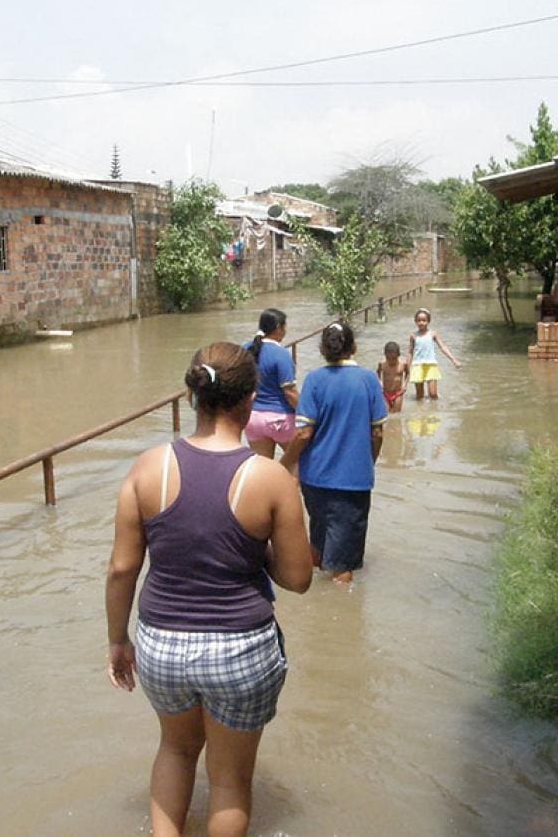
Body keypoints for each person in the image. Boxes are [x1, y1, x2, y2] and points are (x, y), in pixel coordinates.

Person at [105, 342, 312, 837]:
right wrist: (253, 549)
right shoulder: (269, 478)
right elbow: (298, 578)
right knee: (229, 782)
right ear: (248, 402)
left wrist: (118, 641)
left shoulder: (147, 467)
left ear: (194, 398)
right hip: (240, 647)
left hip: (161, 643)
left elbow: (120, 569)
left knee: (175, 750)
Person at [285, 321, 387, 585]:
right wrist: (368, 462)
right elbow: (377, 433)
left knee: (318, 537)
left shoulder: (314, 380)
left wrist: (284, 462)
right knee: (343, 563)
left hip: (314, 478)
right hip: (353, 480)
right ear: (353, 346)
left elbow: (304, 433)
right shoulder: (368, 380)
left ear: (322, 349)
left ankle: (312, 599)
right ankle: (341, 616)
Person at [243, 308, 301, 470]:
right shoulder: (281, 354)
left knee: (262, 470)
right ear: (278, 328)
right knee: (296, 466)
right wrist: (307, 413)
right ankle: (289, 495)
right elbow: (290, 393)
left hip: (253, 419)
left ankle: (263, 496)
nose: (285, 331)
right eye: (284, 327)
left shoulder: (245, 350)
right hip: (281, 420)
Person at [408, 307, 461, 400]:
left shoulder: (433, 334)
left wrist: (454, 360)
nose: (421, 323)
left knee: (433, 394)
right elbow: (410, 352)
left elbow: (443, 347)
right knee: (419, 396)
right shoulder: (413, 336)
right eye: (419, 320)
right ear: (415, 321)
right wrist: (406, 367)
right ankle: (421, 413)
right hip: (417, 365)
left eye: (424, 320)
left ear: (428, 321)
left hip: (431, 365)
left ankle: (434, 411)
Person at [376, 340, 409, 413]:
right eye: (388, 358)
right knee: (386, 413)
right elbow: (377, 373)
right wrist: (380, 383)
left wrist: (405, 385)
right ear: (385, 355)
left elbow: (408, 374)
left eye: (393, 359)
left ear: (398, 355)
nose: (391, 361)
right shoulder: (382, 365)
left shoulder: (403, 365)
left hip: (398, 393)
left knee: (396, 414)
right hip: (385, 393)